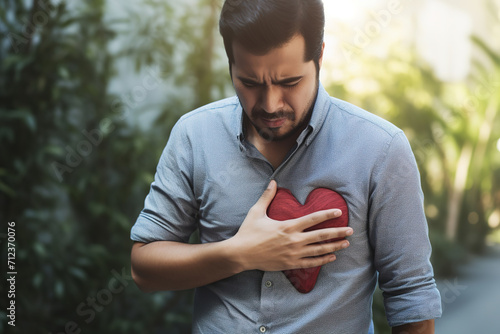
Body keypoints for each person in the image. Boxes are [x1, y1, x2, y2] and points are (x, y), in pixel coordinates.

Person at [130, 0, 442, 333]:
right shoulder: (195, 136)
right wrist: (240, 254)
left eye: (289, 82)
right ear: (230, 63)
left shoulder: (380, 150)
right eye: (250, 83)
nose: (270, 104)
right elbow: (144, 268)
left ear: (319, 56)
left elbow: (411, 298)